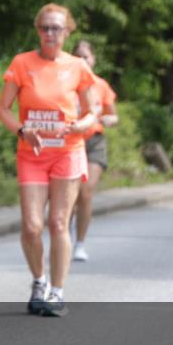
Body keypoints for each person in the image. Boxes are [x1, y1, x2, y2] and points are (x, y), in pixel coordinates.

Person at [0, 4, 98, 317]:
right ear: (37, 30)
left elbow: (93, 110)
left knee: (57, 223)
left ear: (68, 31)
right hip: (33, 153)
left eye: (56, 28)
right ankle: (38, 281)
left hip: (68, 151)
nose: (50, 34)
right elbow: (4, 108)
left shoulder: (78, 67)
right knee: (31, 226)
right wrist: (22, 129)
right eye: (45, 28)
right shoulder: (22, 63)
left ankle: (57, 291)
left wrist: (82, 124)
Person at [70, 40, 119, 262]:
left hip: (94, 141)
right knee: (69, 195)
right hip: (71, 141)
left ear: (94, 59)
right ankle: (64, 237)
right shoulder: (66, 83)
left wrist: (110, 119)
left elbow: (113, 115)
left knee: (86, 191)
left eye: (86, 57)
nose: (83, 61)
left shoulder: (101, 85)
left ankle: (80, 243)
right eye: (78, 56)